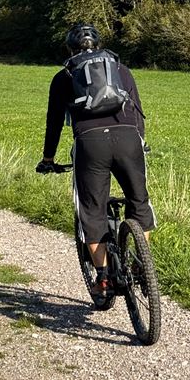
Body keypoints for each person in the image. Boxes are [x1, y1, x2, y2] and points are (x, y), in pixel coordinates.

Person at [37, 23, 155, 298]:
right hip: (128, 138)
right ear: (99, 45)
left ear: (70, 48)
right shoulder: (121, 69)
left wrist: (48, 158)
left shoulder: (64, 76)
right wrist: (139, 142)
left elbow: (53, 122)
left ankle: (102, 277)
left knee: (91, 210)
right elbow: (137, 111)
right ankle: (141, 264)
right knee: (139, 200)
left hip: (90, 144)